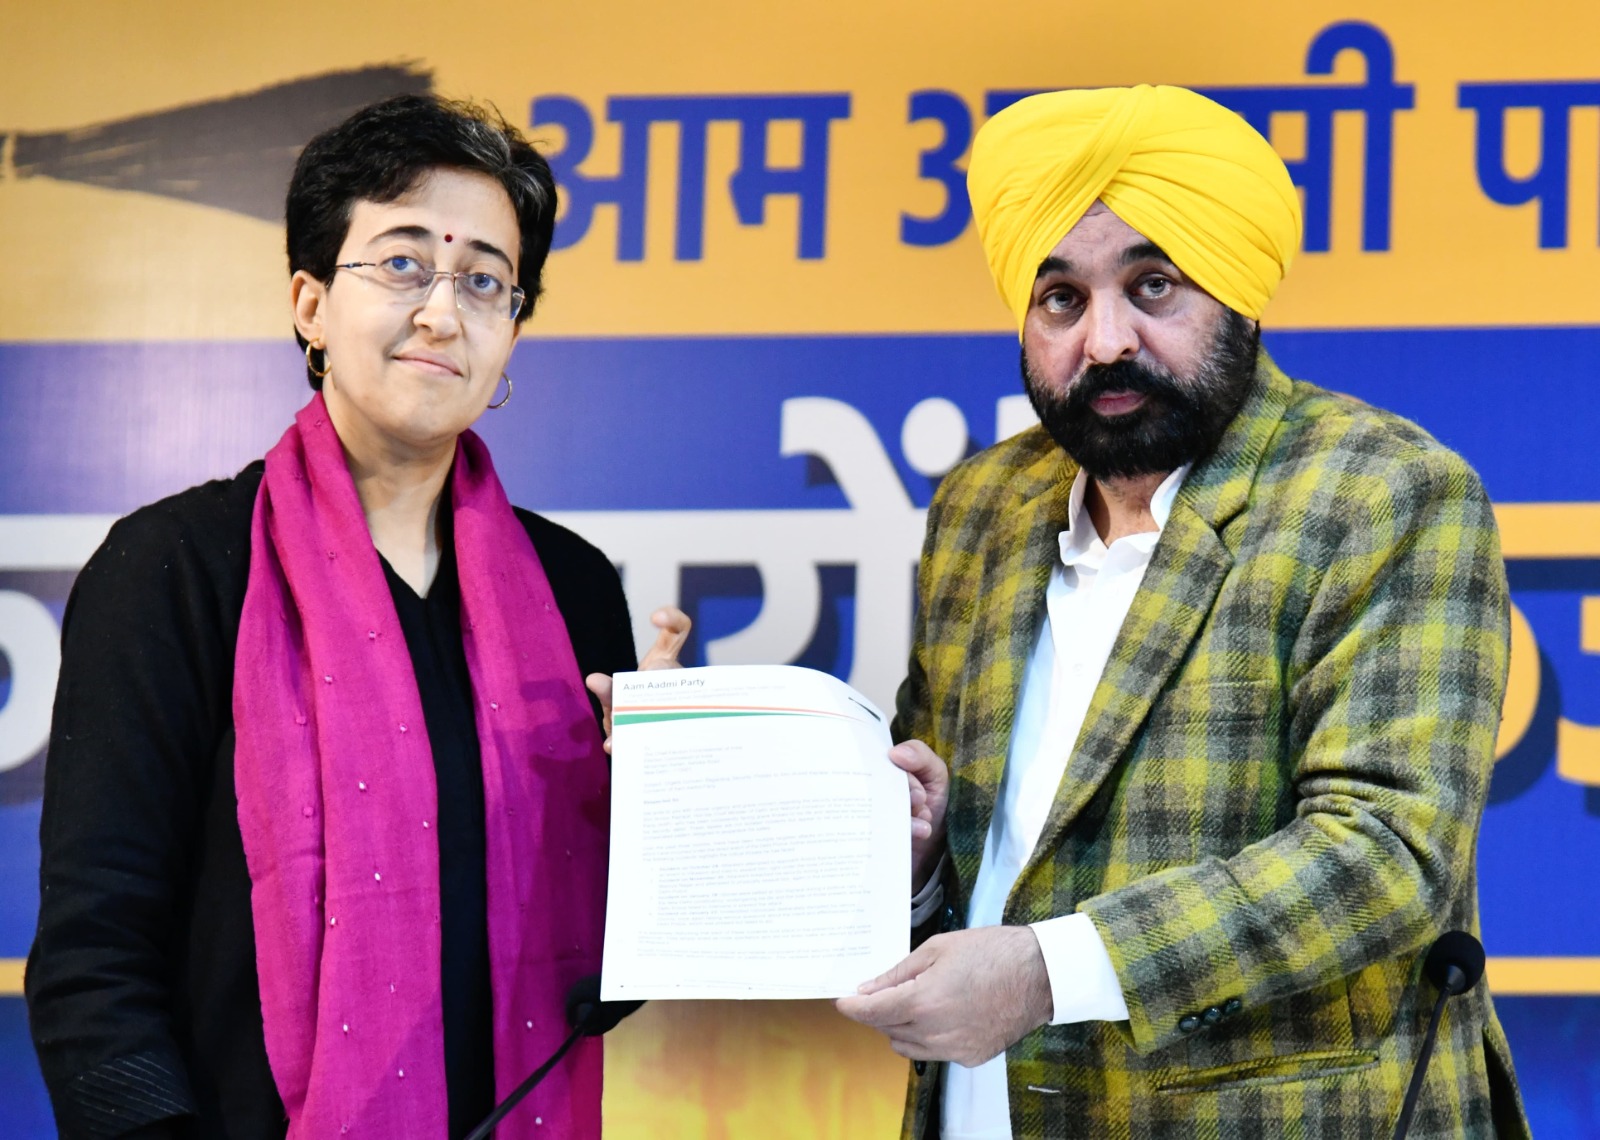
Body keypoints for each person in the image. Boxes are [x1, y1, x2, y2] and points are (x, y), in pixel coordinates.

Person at [834, 85, 1531, 1140]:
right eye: (1060, 299)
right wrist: (921, 861)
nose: (1105, 340)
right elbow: (962, 841)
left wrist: (1050, 971)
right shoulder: (982, 507)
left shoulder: (1383, 491)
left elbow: (1387, 851)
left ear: (1238, 293)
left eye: (1152, 285)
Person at [26, 94, 687, 1140]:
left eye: (485, 281)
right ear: (310, 303)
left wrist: (661, 815)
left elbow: (604, 977)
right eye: (403, 263)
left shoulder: (573, 590)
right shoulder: (173, 570)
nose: (442, 314)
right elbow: (93, 957)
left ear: (513, 330)